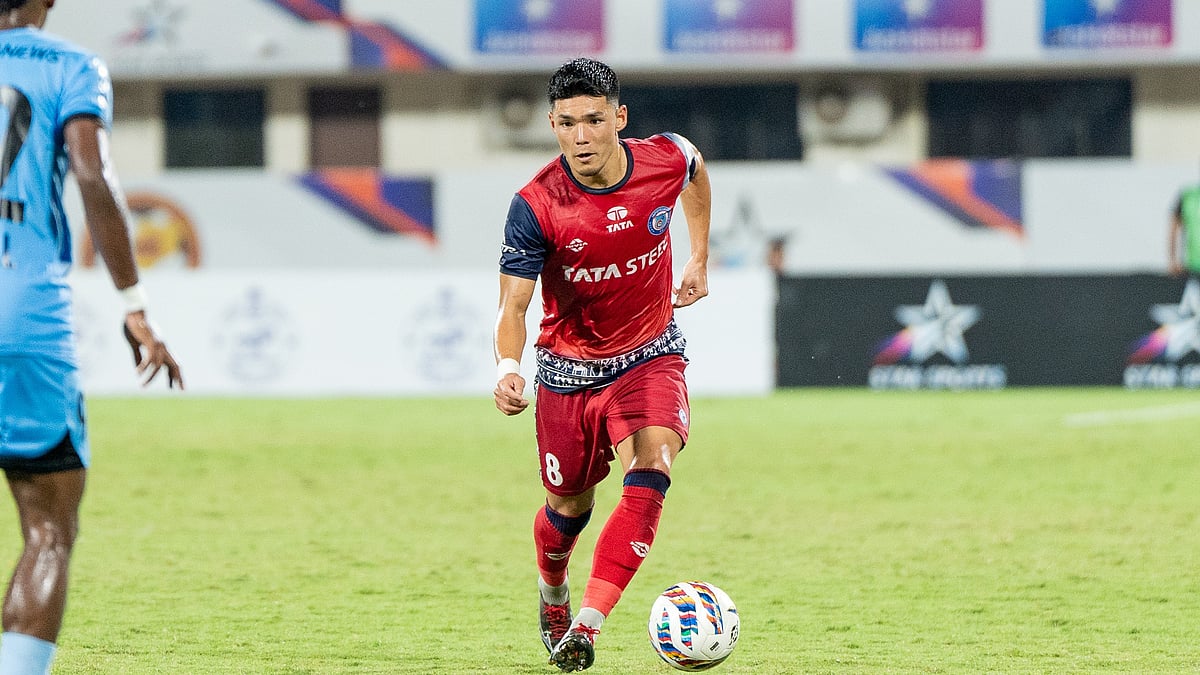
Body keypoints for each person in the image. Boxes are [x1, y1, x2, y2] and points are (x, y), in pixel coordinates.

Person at [492, 57, 711, 672]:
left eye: (593, 120)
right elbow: (514, 302)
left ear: (620, 117)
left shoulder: (664, 158)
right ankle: (554, 592)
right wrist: (507, 365)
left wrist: (699, 256)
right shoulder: (536, 205)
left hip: (650, 354)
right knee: (568, 510)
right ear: (552, 125)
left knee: (655, 460)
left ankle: (587, 625)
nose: (581, 137)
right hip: (569, 372)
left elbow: (695, 169)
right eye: (566, 124)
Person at [0, 1, 184, 672]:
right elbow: (90, 173)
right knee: (47, 528)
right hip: (22, 312)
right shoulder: (72, 68)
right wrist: (135, 306)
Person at [1168, 181, 1200, 277]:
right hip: (1193, 266)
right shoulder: (1187, 196)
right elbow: (1173, 229)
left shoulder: (1188, 196)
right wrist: (1173, 260)